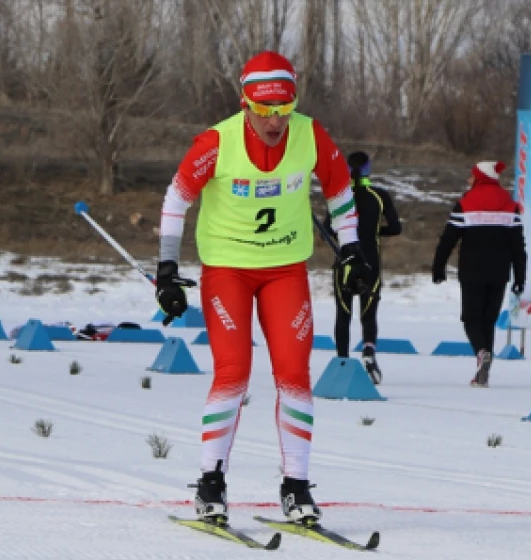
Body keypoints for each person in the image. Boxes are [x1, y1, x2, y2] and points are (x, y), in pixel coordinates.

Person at [155, 51, 370, 526]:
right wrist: (167, 269)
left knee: (294, 374)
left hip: (284, 270)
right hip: (227, 270)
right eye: (263, 110)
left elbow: (339, 191)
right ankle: (211, 483)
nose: (274, 122)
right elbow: (177, 198)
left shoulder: (310, 134)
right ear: (245, 102)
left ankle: (296, 487)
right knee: (233, 372)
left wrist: (352, 248)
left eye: (283, 111)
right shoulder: (218, 140)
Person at [432, 161, 526, 387]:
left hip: (472, 271)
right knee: (488, 320)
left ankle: (481, 352)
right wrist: (520, 277)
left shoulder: (466, 204)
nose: (468, 180)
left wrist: (438, 266)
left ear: (480, 177)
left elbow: (448, 239)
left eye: (471, 176)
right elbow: (518, 247)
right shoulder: (510, 206)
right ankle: (483, 373)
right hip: (499, 272)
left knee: (471, 318)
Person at [323, 151, 401, 384]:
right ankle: (368, 352)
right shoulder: (379, 196)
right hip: (371, 262)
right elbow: (396, 228)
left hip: (345, 261)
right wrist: (376, 232)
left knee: (343, 314)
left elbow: (328, 228)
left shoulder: (341, 196)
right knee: (369, 314)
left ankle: (343, 360)